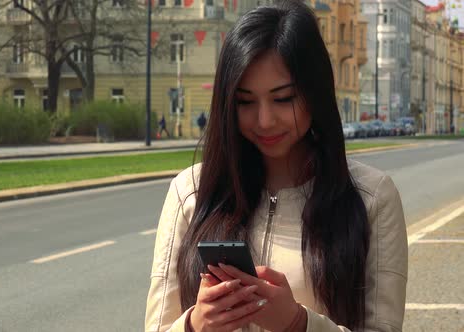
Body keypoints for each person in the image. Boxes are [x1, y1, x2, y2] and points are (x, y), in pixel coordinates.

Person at [145, 2, 407, 332]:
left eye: (283, 99)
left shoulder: (371, 198)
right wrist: (195, 325)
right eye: (245, 102)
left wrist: (299, 323)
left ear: (315, 94)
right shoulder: (191, 193)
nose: (264, 120)